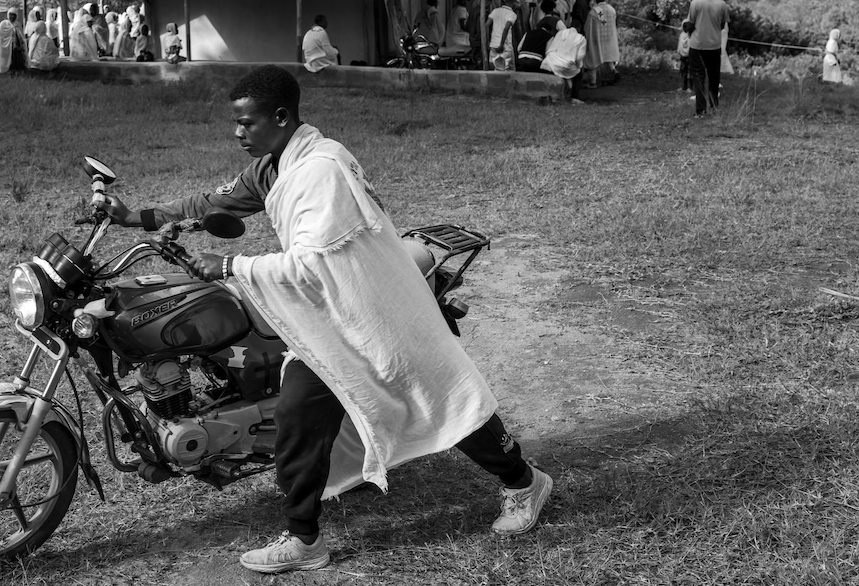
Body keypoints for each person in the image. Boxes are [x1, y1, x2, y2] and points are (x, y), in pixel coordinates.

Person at [95, 66, 552, 574]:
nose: (238, 133)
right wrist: (136, 216)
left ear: (281, 117)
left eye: (247, 123)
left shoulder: (321, 170)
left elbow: (316, 261)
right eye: (236, 123)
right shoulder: (275, 166)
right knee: (297, 416)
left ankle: (524, 483)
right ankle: (304, 538)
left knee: (439, 399)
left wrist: (231, 266)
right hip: (328, 322)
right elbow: (214, 203)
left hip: (374, 311)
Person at [685, 0, 731, 116]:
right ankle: (714, 105)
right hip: (714, 45)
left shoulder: (696, 3)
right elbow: (723, 25)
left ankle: (701, 110)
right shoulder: (722, 4)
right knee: (714, 76)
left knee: (699, 77)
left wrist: (689, 31)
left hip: (697, 44)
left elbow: (691, 22)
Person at [584, 0, 621, 88]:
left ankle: (593, 82)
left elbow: (588, 26)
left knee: (594, 58)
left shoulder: (594, 11)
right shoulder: (611, 9)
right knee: (608, 56)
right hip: (609, 38)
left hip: (597, 39)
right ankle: (614, 71)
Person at [486, 0, 517, 71]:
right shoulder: (512, 14)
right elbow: (506, 28)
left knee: (495, 69)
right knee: (509, 70)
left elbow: (486, 25)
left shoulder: (495, 11)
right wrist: (501, 44)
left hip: (493, 44)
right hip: (505, 46)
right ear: (514, 3)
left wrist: (487, 41)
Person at [0, 10, 25, 75]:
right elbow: (1, 37)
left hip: (16, 47)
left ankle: (18, 73)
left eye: (14, 15)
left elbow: (21, 36)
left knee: (17, 61)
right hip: (7, 47)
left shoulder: (18, 25)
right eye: (11, 15)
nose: (12, 17)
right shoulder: (4, 24)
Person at [677, 20, 693, 93]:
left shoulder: (691, 36)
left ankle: (690, 87)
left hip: (690, 57)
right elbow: (680, 45)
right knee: (683, 72)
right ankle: (684, 86)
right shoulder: (681, 35)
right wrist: (679, 52)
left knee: (690, 73)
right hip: (683, 57)